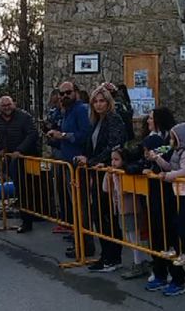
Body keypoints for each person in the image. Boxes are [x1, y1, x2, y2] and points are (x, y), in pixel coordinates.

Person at [75, 85, 127, 272]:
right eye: (95, 101)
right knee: (100, 215)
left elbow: (114, 146)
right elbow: (93, 146)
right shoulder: (96, 121)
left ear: (109, 102)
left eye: (102, 101)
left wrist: (91, 161)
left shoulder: (114, 120)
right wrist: (85, 158)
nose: (98, 104)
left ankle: (112, 257)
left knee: (107, 216)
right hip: (96, 172)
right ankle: (106, 255)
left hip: (107, 173)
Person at [140, 107, 185, 295]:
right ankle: (159, 271)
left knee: (170, 235)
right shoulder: (152, 137)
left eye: (151, 118)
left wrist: (154, 157)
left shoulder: (169, 139)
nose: (148, 121)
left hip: (168, 193)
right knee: (156, 234)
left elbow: (165, 159)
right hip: (154, 191)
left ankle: (177, 276)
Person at [147, 122, 185, 269]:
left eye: (173, 138)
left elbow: (184, 171)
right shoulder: (177, 152)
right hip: (181, 190)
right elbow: (171, 167)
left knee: (183, 222)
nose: (171, 141)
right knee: (177, 221)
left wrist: (167, 176)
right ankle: (178, 249)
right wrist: (157, 159)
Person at [46, 81, 92, 258]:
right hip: (68, 164)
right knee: (76, 205)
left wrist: (63, 135)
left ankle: (86, 244)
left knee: (82, 206)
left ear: (76, 93)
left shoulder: (81, 110)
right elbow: (64, 138)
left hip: (78, 165)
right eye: (62, 93)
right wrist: (54, 138)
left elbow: (84, 135)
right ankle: (78, 239)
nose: (65, 96)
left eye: (68, 93)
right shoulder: (66, 111)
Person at [103, 146, 152, 279]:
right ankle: (141, 261)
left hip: (130, 208)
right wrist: (108, 174)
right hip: (120, 208)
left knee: (134, 237)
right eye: (112, 159)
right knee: (129, 236)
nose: (113, 162)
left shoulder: (126, 173)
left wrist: (117, 176)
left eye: (116, 159)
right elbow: (106, 189)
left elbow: (123, 190)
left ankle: (139, 262)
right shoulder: (114, 173)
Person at [0, 95, 39, 233]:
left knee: (31, 189)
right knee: (20, 190)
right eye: (3, 106)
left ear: (14, 104)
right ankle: (26, 220)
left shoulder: (24, 117)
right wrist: (2, 150)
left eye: (9, 104)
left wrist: (20, 150)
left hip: (29, 157)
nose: (7, 108)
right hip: (12, 160)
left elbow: (32, 134)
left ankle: (31, 219)